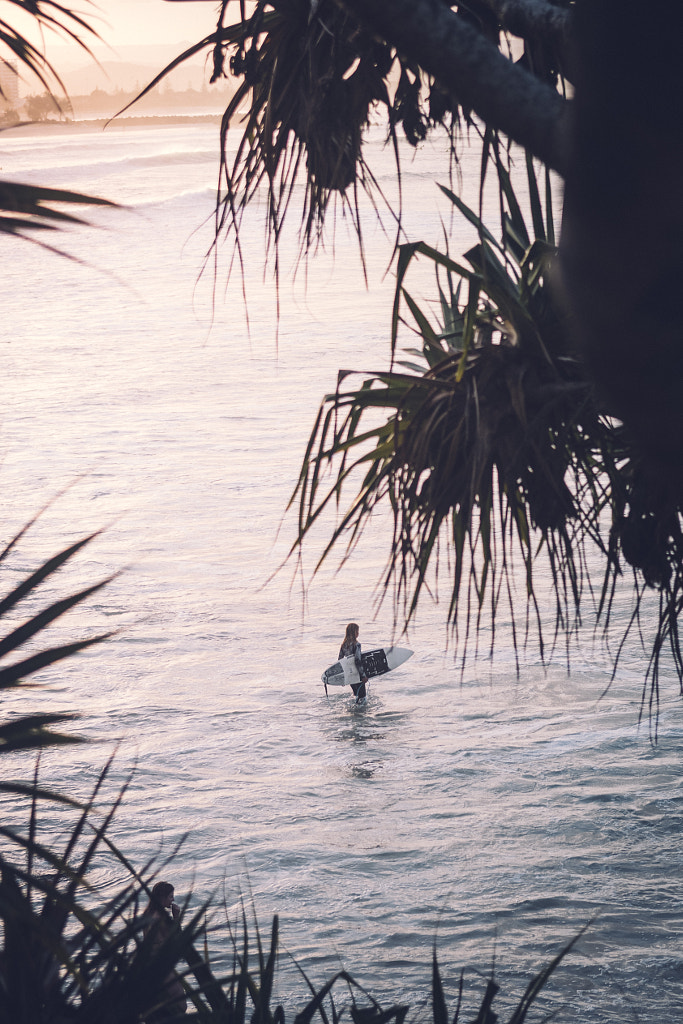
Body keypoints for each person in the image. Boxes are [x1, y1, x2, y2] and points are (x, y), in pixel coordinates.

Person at [141, 881, 187, 1020]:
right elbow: (175, 940)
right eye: (170, 896)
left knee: (172, 1003)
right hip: (160, 965)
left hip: (156, 965)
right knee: (179, 1004)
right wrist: (177, 917)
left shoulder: (150, 914)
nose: (172, 899)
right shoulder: (157, 919)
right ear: (162, 897)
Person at [339, 622, 368, 704]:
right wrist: (363, 676)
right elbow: (357, 660)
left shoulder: (343, 645)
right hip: (357, 674)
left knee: (356, 695)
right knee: (362, 698)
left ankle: (355, 714)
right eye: (357, 631)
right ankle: (360, 715)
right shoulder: (357, 645)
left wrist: (343, 678)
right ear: (354, 633)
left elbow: (340, 660)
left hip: (350, 675)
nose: (358, 633)